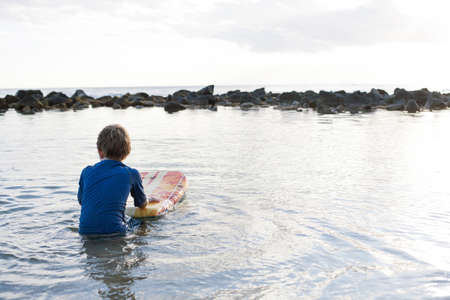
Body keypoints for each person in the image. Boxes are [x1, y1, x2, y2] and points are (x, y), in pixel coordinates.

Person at [77, 124, 147, 236]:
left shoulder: (86, 172)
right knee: (139, 221)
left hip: (85, 232)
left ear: (100, 151)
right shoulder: (131, 173)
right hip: (116, 231)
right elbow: (141, 204)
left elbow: (81, 201)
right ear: (127, 152)